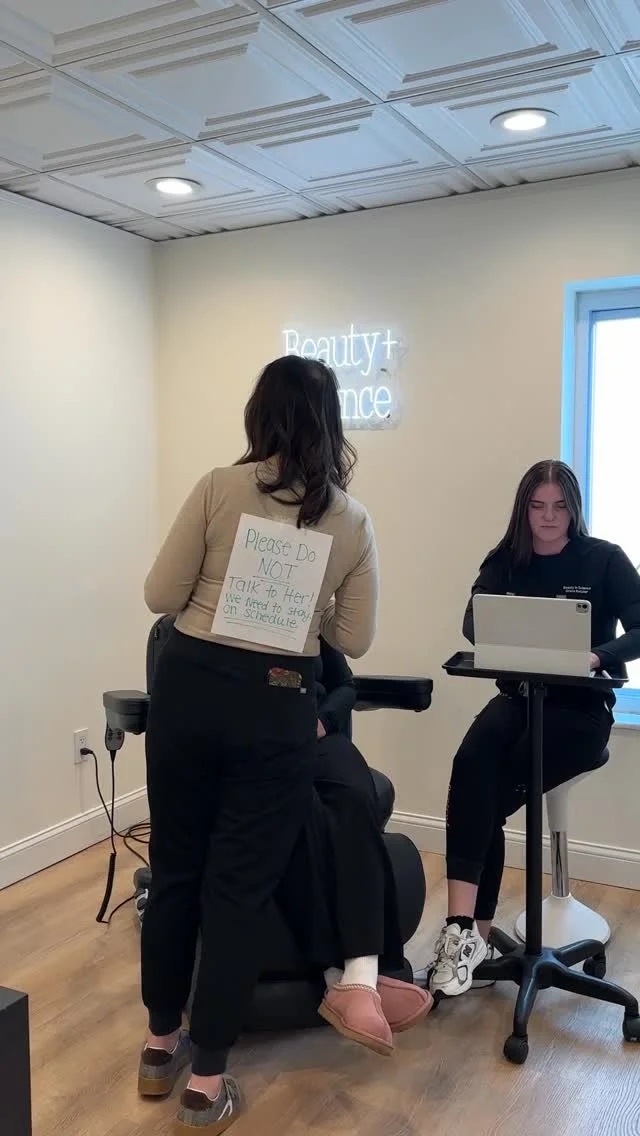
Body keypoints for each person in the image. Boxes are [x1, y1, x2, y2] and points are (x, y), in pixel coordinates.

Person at [137, 356, 406, 1134]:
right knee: (236, 892)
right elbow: (354, 636)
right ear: (332, 425)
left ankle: (159, 1048)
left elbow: (161, 595)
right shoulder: (350, 520)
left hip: (189, 691)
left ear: (260, 415)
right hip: (277, 699)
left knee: (177, 874)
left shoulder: (218, 487)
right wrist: (307, 605)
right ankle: (206, 1082)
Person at [427, 459, 640, 1001]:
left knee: (484, 800)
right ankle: (464, 933)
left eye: (560, 507)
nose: (549, 517)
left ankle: (470, 937)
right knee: (469, 764)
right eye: (538, 506)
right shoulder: (506, 559)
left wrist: (597, 655)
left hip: (580, 712)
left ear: (574, 509)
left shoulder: (604, 559)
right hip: (519, 698)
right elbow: (473, 622)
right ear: (523, 510)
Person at [276, 639, 432, 1054]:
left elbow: (345, 685)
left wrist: (323, 721)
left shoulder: (312, 621)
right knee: (301, 808)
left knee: (355, 797)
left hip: (317, 734)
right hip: (257, 745)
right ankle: (346, 980)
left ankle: (362, 973)